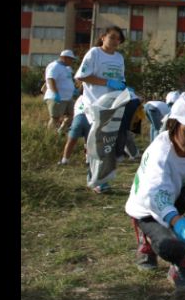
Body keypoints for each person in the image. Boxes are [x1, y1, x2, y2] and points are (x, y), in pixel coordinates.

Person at [124, 92, 185, 292]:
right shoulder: (160, 156)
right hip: (148, 208)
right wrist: (177, 221)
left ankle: (181, 260)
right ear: (174, 125)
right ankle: (149, 241)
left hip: (174, 197)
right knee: (171, 246)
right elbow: (155, 196)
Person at [59, 26, 138, 193]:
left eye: (119, 39)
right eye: (113, 37)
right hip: (94, 105)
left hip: (112, 104)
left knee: (108, 143)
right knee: (97, 143)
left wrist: (124, 88)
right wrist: (107, 82)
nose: (116, 41)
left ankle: (103, 179)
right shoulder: (94, 53)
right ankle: (95, 179)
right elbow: (82, 76)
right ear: (103, 37)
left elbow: (120, 79)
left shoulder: (119, 58)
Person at [43, 50, 78, 134]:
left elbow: (68, 80)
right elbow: (50, 79)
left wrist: (73, 90)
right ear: (64, 58)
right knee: (55, 118)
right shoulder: (54, 66)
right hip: (57, 97)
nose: (72, 61)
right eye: (70, 59)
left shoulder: (67, 68)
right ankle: (49, 135)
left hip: (68, 97)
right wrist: (56, 93)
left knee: (73, 114)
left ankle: (61, 130)